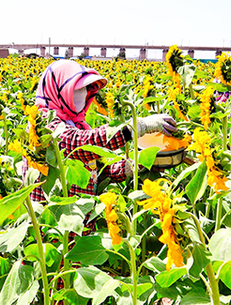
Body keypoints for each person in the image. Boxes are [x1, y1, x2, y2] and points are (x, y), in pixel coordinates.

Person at [28, 59, 176, 202]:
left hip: (84, 221)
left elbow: (99, 169)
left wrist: (132, 165)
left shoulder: (77, 123)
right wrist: (135, 128)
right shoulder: (43, 123)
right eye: (76, 89)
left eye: (84, 89)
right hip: (54, 223)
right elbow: (77, 144)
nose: (83, 94)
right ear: (58, 89)